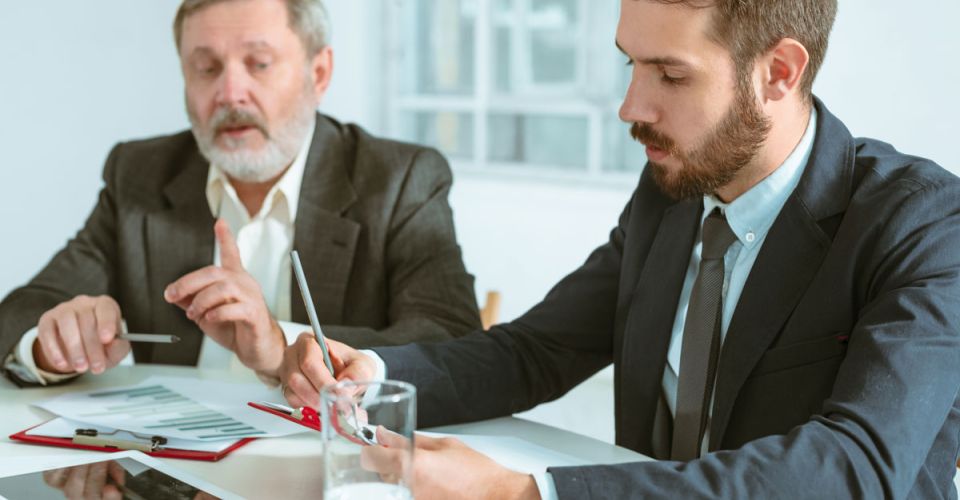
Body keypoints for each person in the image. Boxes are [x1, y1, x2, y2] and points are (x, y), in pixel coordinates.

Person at [277, 0, 960, 498]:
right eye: (631, 65)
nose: (631, 106)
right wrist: (370, 370)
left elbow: (856, 466)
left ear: (779, 71)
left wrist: (527, 492)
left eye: (670, 75)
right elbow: (538, 350)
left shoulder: (923, 223)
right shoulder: (672, 190)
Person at [0, 0, 480, 388]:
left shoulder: (399, 179)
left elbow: (450, 341)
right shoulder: (140, 173)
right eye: (206, 68)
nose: (230, 93)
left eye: (260, 64)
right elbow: (22, 312)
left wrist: (280, 347)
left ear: (319, 73)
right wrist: (51, 343)